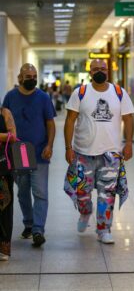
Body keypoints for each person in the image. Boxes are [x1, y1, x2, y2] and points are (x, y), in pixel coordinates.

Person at [64, 59, 134, 244]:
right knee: (83, 193)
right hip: (83, 153)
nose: (99, 71)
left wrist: (128, 143)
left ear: (108, 71)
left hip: (111, 154)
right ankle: (85, 212)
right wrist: (68, 147)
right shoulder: (80, 93)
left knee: (107, 193)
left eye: (103, 68)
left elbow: (128, 119)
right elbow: (70, 120)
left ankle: (104, 229)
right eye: (95, 69)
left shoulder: (119, 93)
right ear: (90, 72)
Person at [3, 63, 56, 247]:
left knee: (40, 192)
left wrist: (49, 145)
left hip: (40, 152)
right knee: (23, 192)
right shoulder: (10, 97)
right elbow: (5, 120)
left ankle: (38, 230)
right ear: (20, 78)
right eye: (28, 76)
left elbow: (50, 123)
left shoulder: (43, 97)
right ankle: (29, 223)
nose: (32, 79)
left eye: (34, 76)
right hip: (18, 153)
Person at [0, 107, 16, 260]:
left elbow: (13, 136)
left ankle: (4, 247)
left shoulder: (4, 113)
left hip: (2, 168)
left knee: (4, 206)